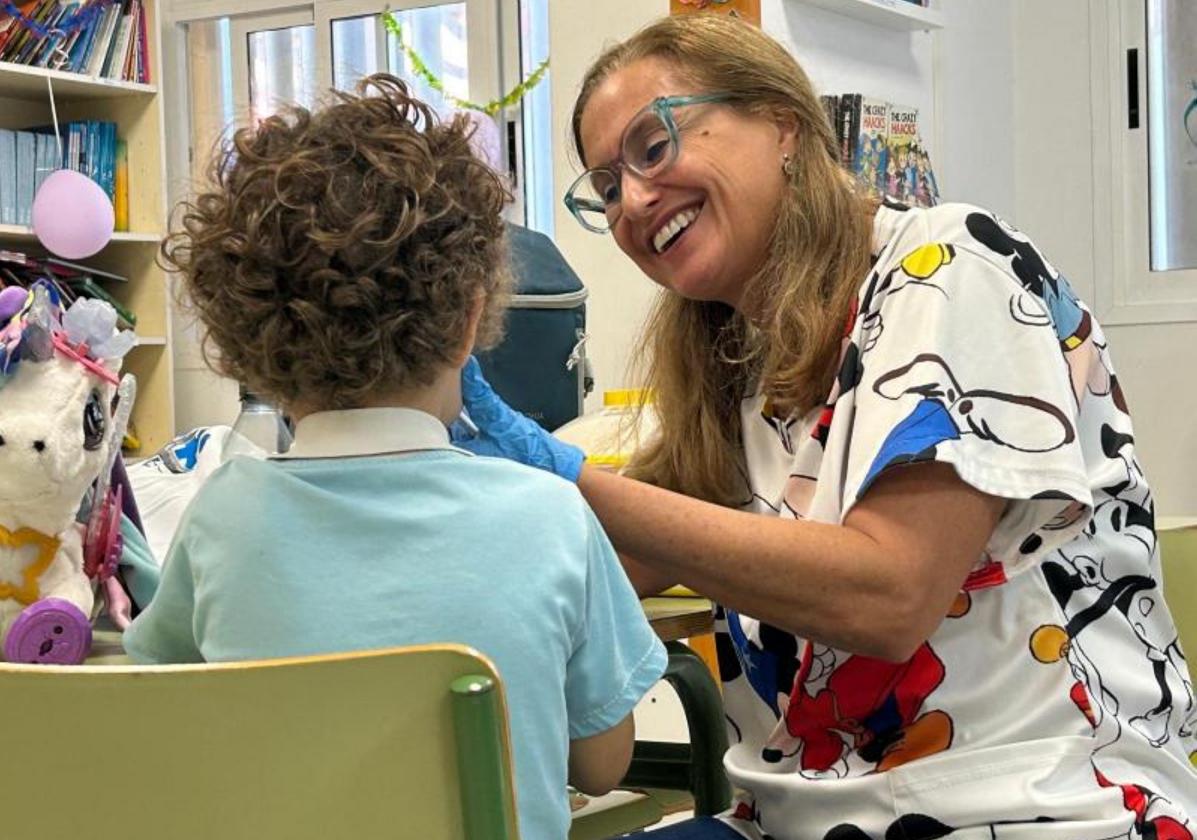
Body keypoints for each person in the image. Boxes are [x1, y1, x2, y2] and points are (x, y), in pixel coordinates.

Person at [452, 14, 1197, 840]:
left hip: (1035, 803)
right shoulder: (737, 368)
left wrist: (564, 476)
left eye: (652, 147)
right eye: (604, 186)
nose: (631, 199)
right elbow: (632, 551)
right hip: (802, 815)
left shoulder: (951, 267)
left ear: (781, 124)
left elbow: (889, 593)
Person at [124, 74, 666, 840]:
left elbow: (158, 704)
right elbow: (601, 765)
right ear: (469, 315)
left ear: (248, 340)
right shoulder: (550, 516)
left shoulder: (225, 518)